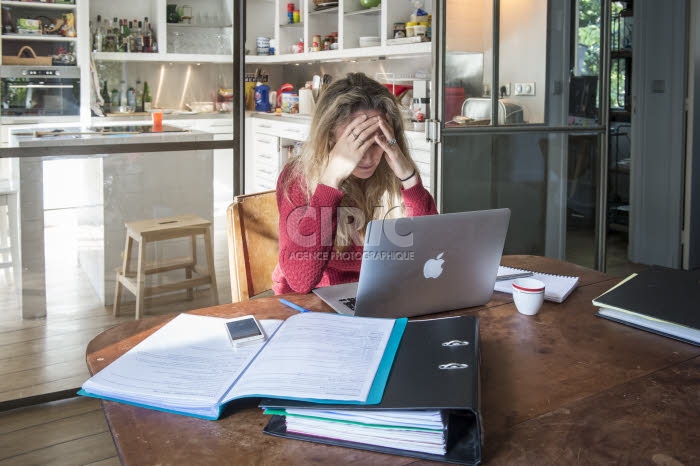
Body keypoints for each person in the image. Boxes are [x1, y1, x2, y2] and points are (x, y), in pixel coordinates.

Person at [273, 72, 437, 294]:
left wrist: (408, 175)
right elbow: (301, 281)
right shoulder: (298, 177)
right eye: (356, 143)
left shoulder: (390, 171)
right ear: (330, 136)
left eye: (377, 143)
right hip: (315, 303)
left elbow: (431, 252)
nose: (368, 159)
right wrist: (331, 180)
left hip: (381, 294)